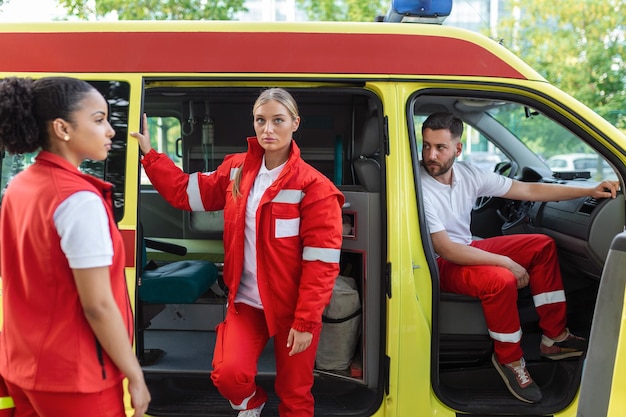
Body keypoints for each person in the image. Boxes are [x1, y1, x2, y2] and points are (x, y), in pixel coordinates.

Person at [132, 88, 344, 417]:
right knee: (228, 375)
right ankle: (252, 403)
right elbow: (185, 193)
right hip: (246, 303)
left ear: (295, 123)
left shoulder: (314, 187)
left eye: (278, 120)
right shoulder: (236, 169)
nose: (268, 129)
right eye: (261, 120)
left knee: (295, 394)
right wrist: (150, 154)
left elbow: (321, 264)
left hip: (293, 309)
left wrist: (305, 321)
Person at [419, 112, 620, 404]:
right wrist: (506, 263)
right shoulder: (420, 185)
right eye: (426, 146)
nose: (431, 155)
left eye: (440, 147)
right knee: (500, 279)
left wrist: (589, 190)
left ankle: (555, 337)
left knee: (541, 246)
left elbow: (527, 189)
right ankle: (510, 360)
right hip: (439, 261)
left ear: (458, 149)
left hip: (467, 247)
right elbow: (447, 249)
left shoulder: (469, 174)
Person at [0, 76, 151, 417]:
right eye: (99, 120)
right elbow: (97, 305)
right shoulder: (78, 200)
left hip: (22, 366)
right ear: (62, 129)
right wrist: (134, 374)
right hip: (74, 377)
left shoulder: (20, 185)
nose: (111, 131)